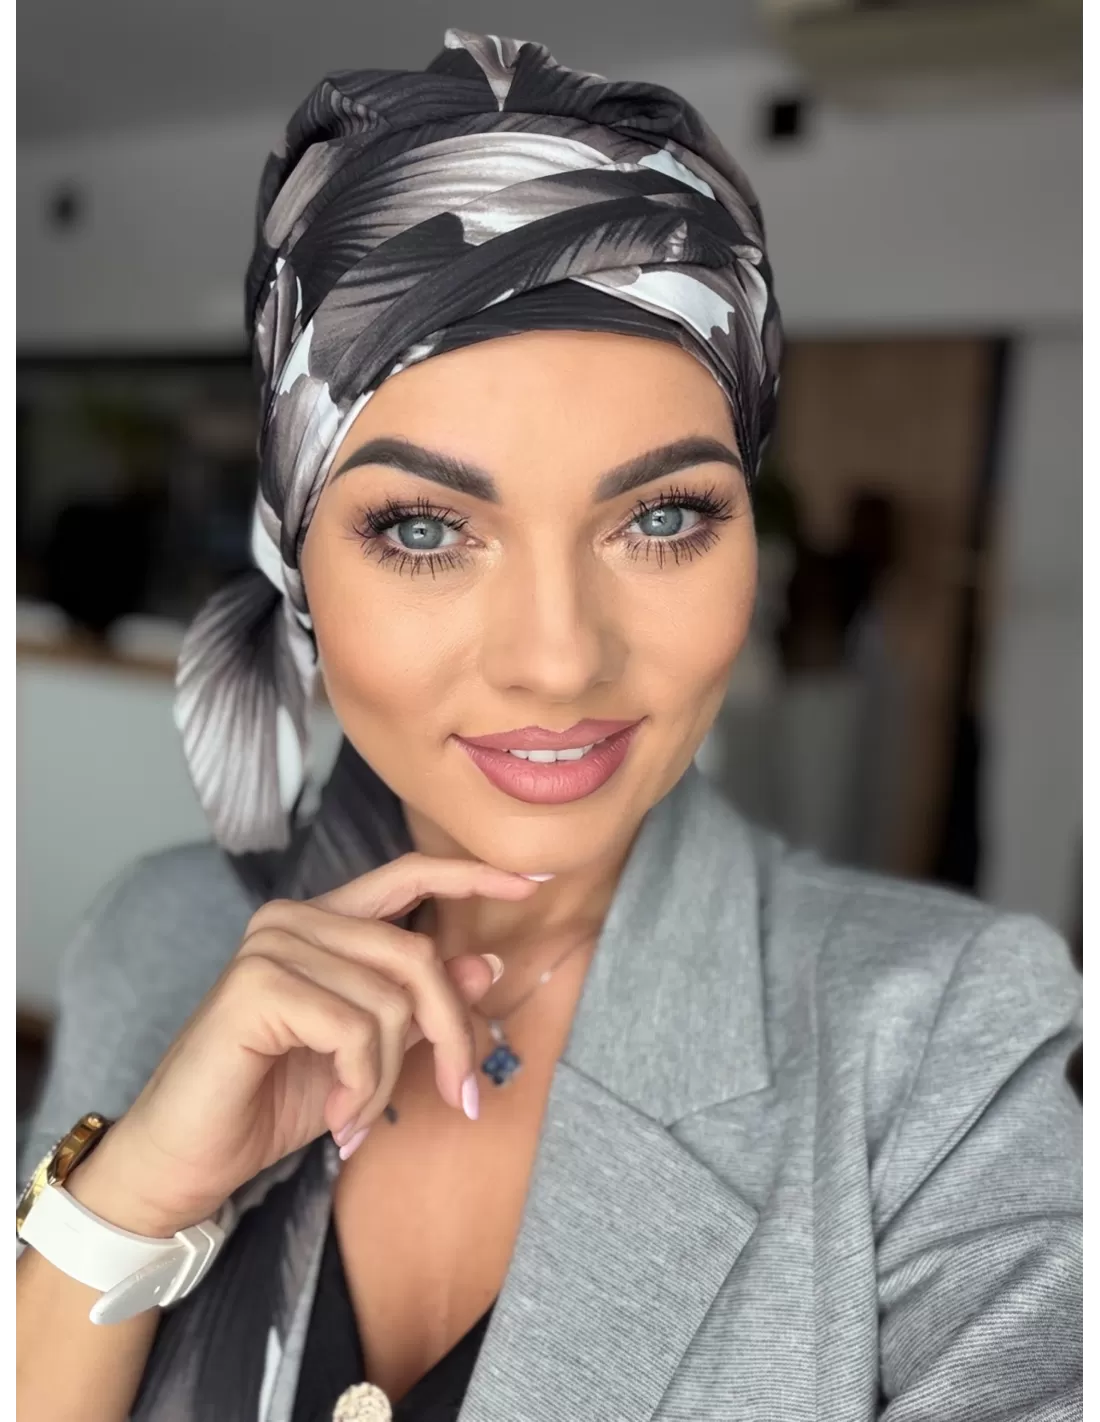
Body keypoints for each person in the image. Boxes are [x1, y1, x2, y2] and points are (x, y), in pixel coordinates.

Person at [16, 29, 1081, 1422]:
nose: (560, 658)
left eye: (662, 516)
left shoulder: (940, 1040)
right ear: (297, 567)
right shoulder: (154, 940)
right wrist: (125, 1202)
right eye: (423, 528)